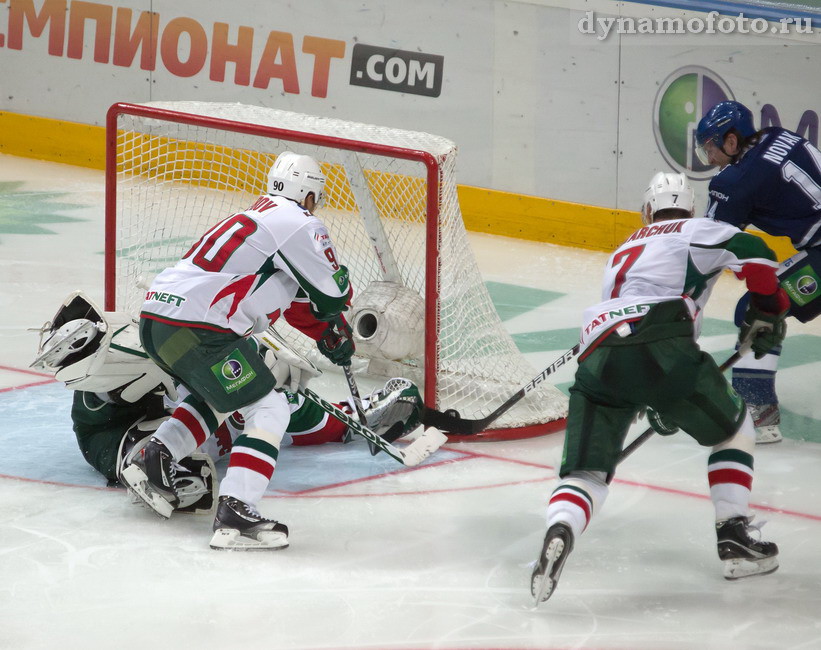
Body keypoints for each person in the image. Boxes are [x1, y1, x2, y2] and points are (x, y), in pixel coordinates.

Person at [530, 172, 788, 605]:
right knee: (735, 429)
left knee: (587, 472)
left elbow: (626, 329)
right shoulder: (696, 229)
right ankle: (735, 538)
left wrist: (648, 395)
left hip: (598, 350)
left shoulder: (625, 247)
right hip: (663, 340)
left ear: (646, 211)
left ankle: (562, 527)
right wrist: (769, 306)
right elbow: (758, 254)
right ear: (690, 209)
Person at [118, 151, 363, 550]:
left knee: (217, 394)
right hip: (202, 326)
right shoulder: (301, 222)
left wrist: (326, 333)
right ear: (309, 195)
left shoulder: (255, 220)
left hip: (158, 319)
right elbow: (333, 293)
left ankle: (154, 458)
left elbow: (299, 302)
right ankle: (236, 511)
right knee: (270, 407)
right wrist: (334, 312)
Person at [31, 291, 424, 515]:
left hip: (177, 417)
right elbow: (165, 484)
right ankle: (347, 421)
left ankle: (354, 419)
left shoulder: (138, 344)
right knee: (250, 408)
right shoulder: (98, 423)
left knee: (263, 400)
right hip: (151, 433)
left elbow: (200, 355)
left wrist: (254, 350)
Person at [695, 100, 821, 443]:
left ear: (732, 142)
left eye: (711, 148)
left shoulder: (734, 181)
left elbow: (708, 250)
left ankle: (757, 412)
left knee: (759, 308)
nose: (709, 160)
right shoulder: (779, 136)